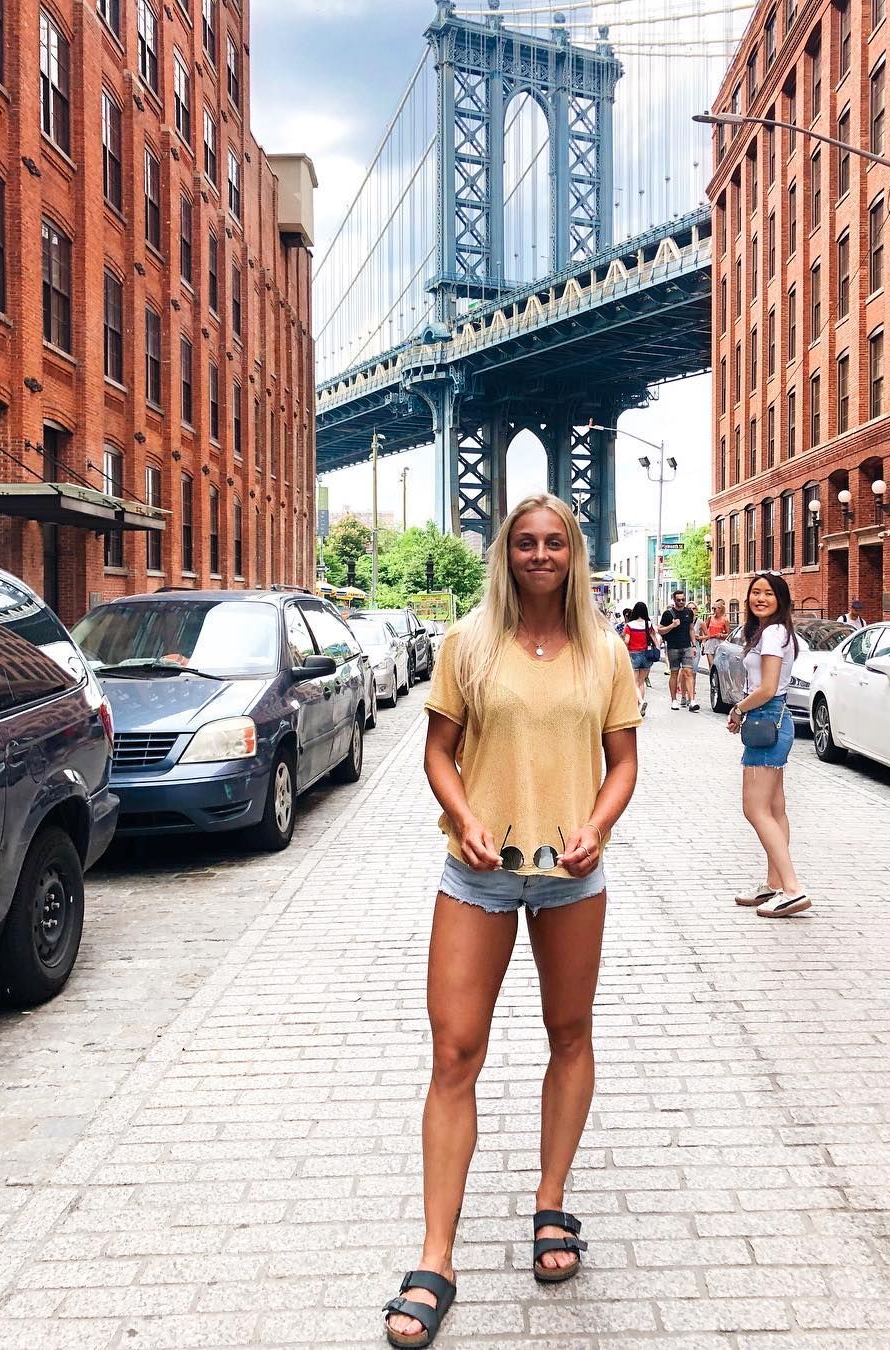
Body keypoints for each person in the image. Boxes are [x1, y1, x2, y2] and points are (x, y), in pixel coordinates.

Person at [383, 493, 640, 1348]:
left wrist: (597, 826)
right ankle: (436, 1256)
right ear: (506, 552)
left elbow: (623, 762)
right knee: (455, 1053)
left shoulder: (604, 650)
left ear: (573, 554)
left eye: (554, 542)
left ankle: (551, 1202)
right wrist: (463, 817)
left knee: (570, 1034)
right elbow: (437, 751)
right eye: (525, 542)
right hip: (478, 874)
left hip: (571, 876)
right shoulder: (468, 643)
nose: (539, 555)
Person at [727, 572, 811, 918]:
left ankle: (792, 889)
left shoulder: (773, 634)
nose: (760, 598)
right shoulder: (774, 632)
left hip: (766, 718)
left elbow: (767, 688)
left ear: (781, 600)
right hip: (774, 719)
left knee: (755, 809)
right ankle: (775, 883)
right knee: (775, 809)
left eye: (768, 594)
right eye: (755, 592)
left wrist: (738, 709)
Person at [659, 589, 699, 710]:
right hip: (673, 647)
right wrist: (672, 625)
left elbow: (691, 629)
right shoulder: (668, 614)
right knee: (674, 673)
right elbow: (660, 630)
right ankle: (674, 700)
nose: (681, 602)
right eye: (678, 600)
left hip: (686, 646)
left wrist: (694, 645)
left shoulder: (689, 612)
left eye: (683, 600)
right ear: (674, 600)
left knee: (688, 672)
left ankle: (692, 701)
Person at [623, 600, 658, 716]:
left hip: (634, 654)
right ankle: (640, 707)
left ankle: (641, 702)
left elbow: (626, 640)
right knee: (641, 682)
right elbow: (654, 639)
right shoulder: (648, 624)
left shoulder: (629, 625)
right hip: (647, 655)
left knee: (634, 683)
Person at [703, 601, 731, 671]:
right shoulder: (710, 618)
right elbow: (704, 630)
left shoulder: (725, 620)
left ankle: (715, 677)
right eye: (712, 608)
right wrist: (703, 641)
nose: (713, 610)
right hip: (710, 642)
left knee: (718, 665)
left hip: (720, 643)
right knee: (711, 664)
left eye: (715, 608)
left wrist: (722, 635)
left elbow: (729, 634)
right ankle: (711, 676)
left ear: (720, 609)